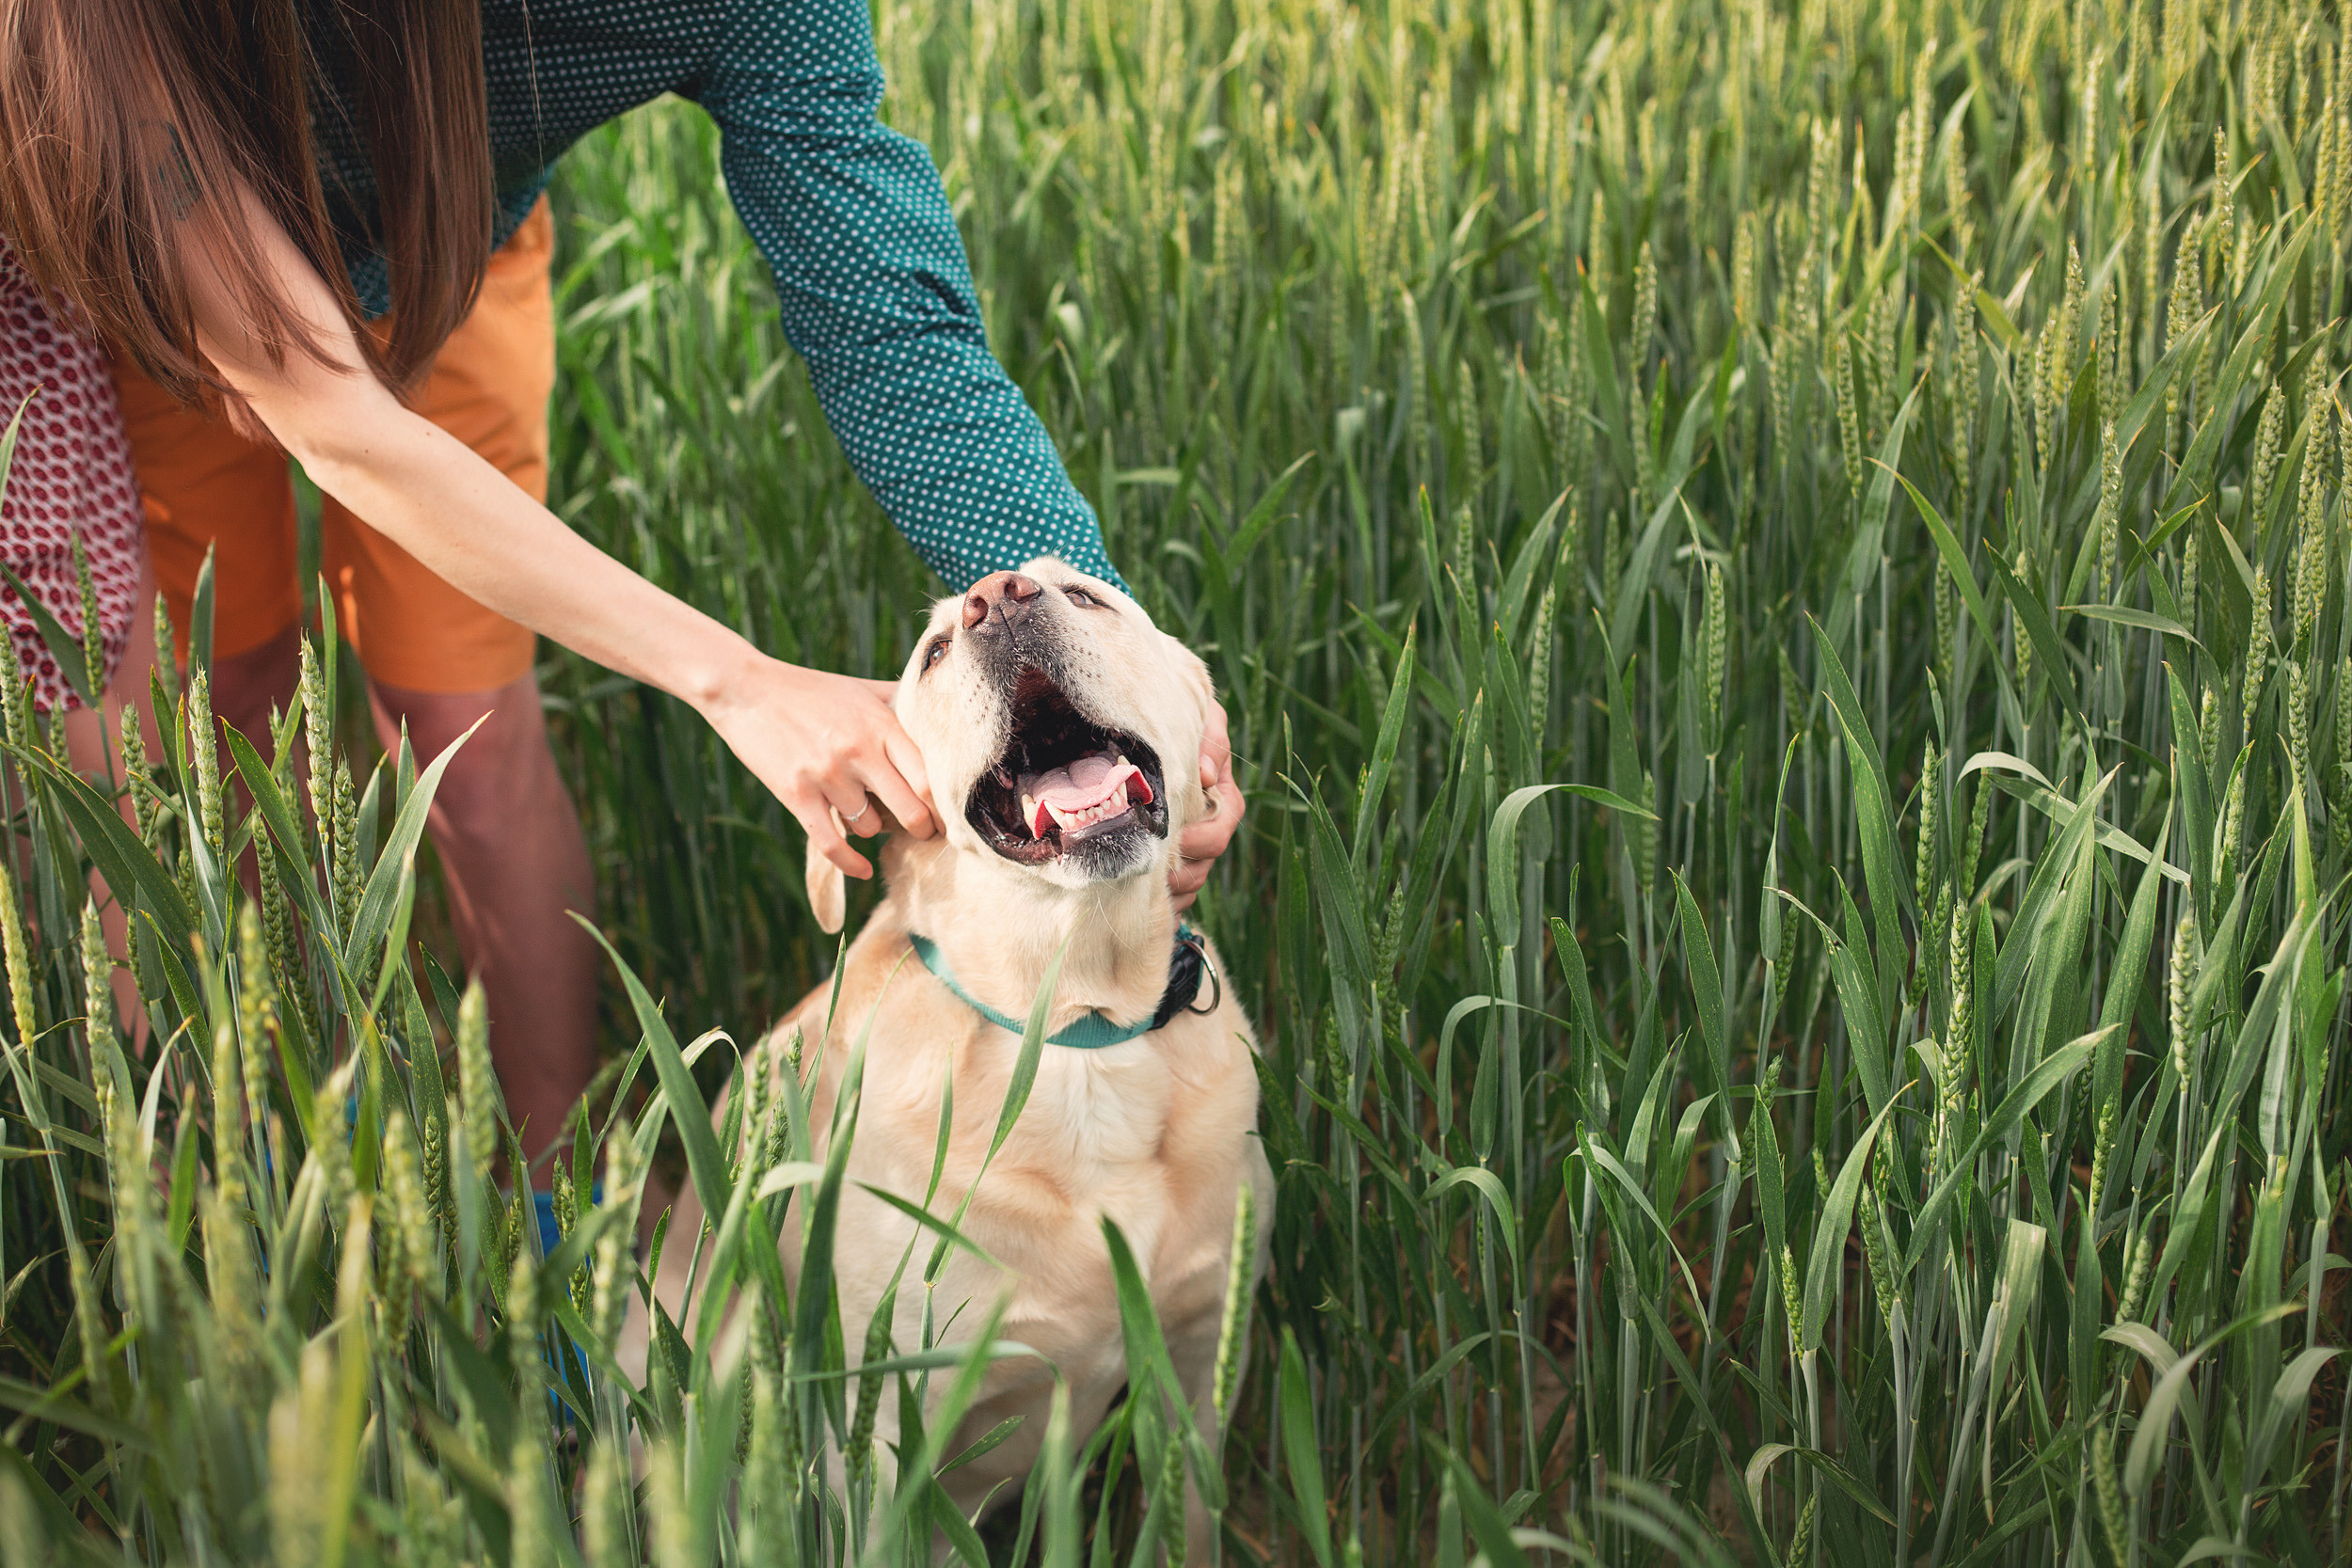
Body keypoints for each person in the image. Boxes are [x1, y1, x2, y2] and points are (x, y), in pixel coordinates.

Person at [0, 0, 1245, 1171]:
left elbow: (888, 328)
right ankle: (246, 1174)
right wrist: (737, 682)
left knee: (471, 743)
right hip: (154, 277)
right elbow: (320, 407)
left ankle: (548, 1195)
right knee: (211, 721)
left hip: (447, 256)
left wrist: (1115, 671)